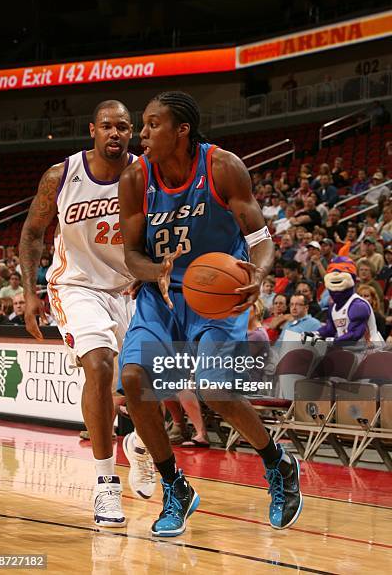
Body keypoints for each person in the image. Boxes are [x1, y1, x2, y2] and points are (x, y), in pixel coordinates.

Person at [118, 91, 302, 537]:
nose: (142, 133)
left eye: (153, 124)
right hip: (161, 295)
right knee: (134, 381)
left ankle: (277, 464)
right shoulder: (135, 178)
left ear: (182, 130)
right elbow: (131, 254)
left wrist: (257, 275)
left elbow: (260, 238)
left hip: (218, 296)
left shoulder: (222, 167)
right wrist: (155, 271)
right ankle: (174, 486)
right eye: (142, 124)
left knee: (215, 388)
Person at [19, 99, 155, 527]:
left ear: (131, 133)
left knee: (149, 384)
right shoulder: (61, 177)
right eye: (107, 127)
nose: (115, 134)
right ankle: (105, 484)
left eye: (123, 127)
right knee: (98, 366)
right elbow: (31, 232)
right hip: (75, 285)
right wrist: (29, 292)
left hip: (129, 288)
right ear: (92, 130)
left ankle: (140, 444)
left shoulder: (146, 175)